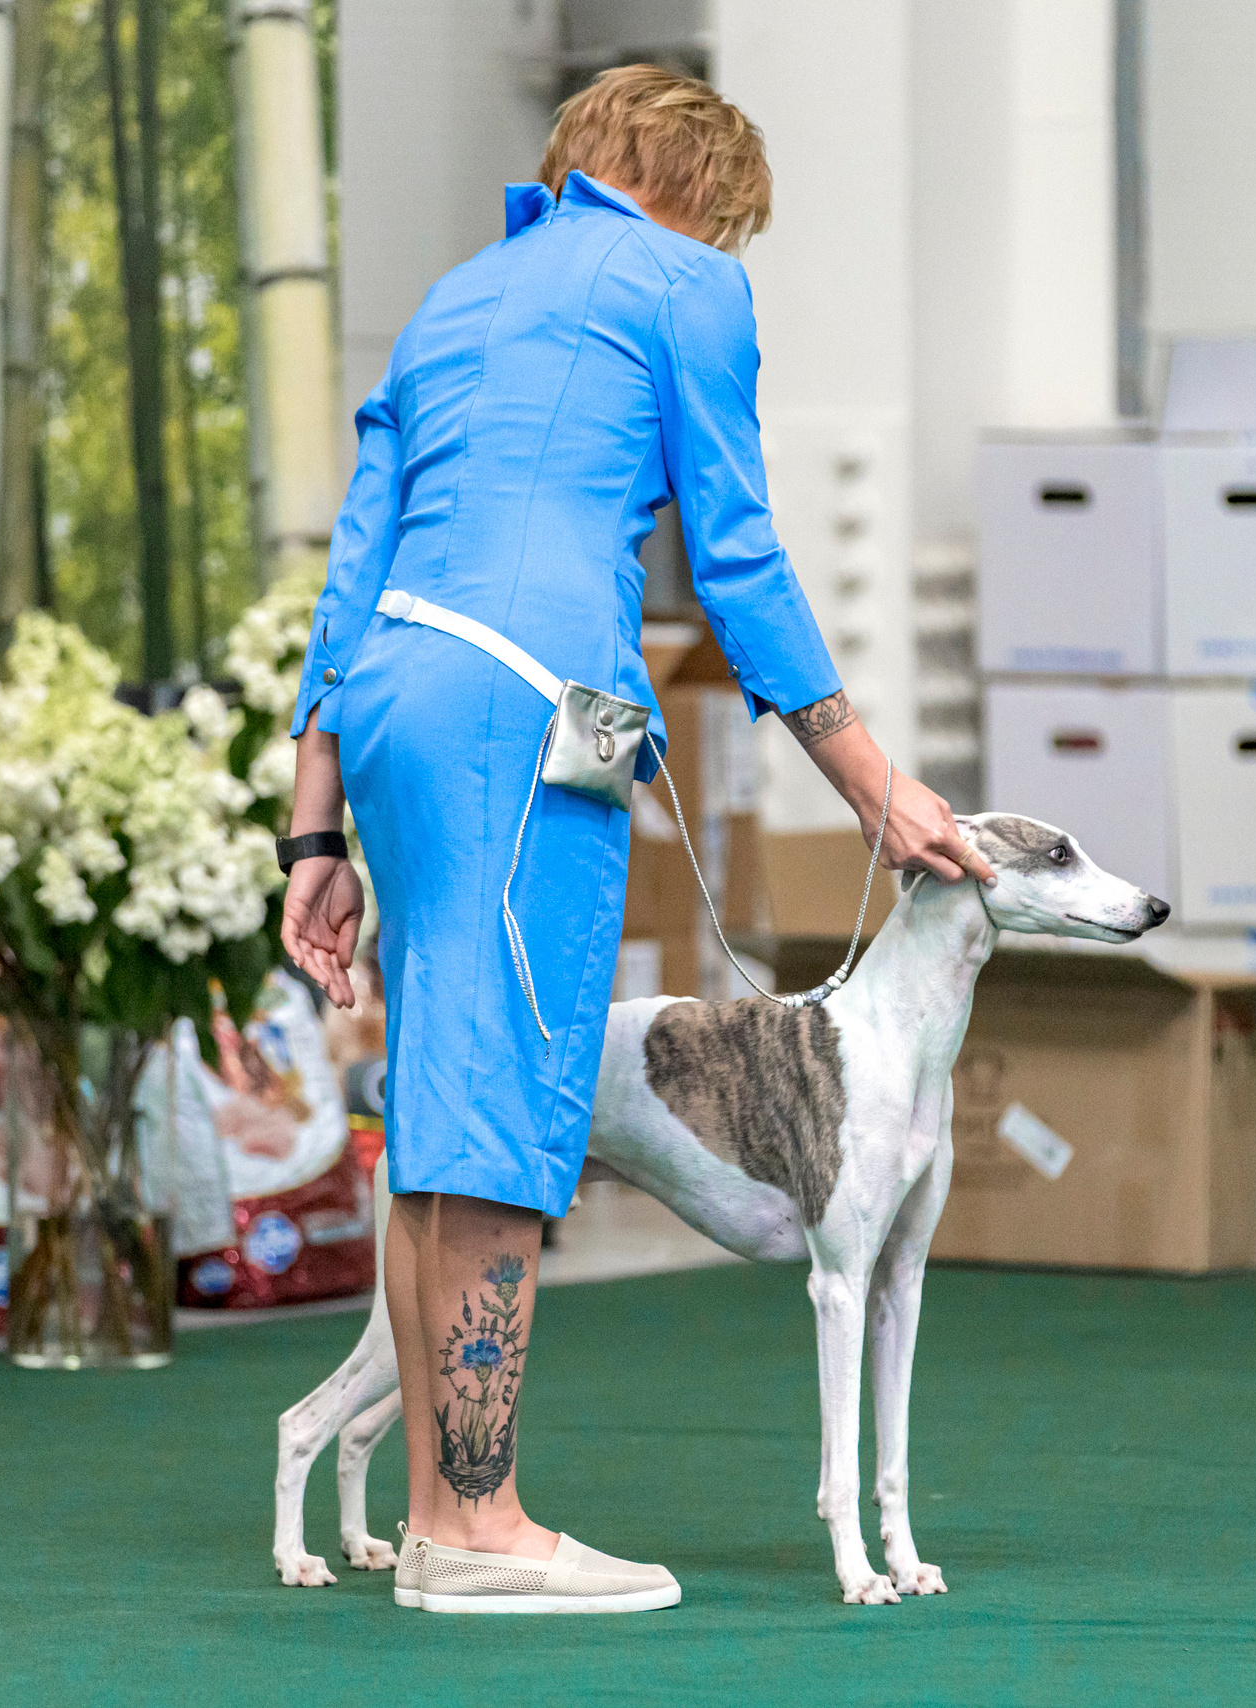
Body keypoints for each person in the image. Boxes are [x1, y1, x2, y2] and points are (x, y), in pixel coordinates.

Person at [277, 65, 995, 1611]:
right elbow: (734, 551)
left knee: (437, 1108)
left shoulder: (452, 300)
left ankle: (431, 1519)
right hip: (530, 711)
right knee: (507, 1104)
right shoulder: (688, 286)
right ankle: (479, 1528)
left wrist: (310, 835)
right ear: (700, 194)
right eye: (732, 223)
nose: (733, 251)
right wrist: (872, 781)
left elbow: (356, 567)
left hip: (397, 696)